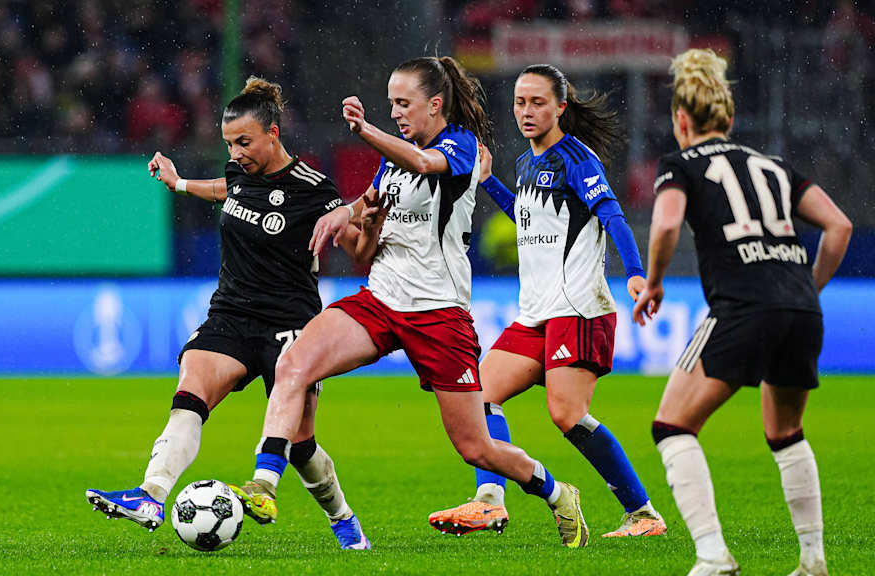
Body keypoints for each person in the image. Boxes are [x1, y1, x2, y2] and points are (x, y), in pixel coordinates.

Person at [228, 56, 590, 549]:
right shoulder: (390, 160)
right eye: (391, 104)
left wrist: (365, 130)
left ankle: (555, 491)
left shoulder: (460, 146)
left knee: (475, 447)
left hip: (440, 316)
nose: (396, 112)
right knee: (294, 364)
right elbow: (370, 218)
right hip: (380, 301)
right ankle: (264, 484)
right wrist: (348, 217)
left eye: (404, 104)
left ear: (434, 105)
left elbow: (421, 162)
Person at [85, 77, 372, 550]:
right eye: (229, 144)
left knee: (300, 447)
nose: (236, 153)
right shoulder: (239, 173)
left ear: (273, 135)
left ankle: (343, 519)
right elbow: (228, 189)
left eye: (244, 142)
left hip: (291, 324)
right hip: (231, 314)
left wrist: (367, 222)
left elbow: (356, 242)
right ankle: (151, 494)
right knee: (189, 395)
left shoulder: (312, 188)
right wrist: (179, 184)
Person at [633, 49, 851, 576]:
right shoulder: (775, 167)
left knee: (672, 427)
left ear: (681, 120)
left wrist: (655, 281)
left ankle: (712, 556)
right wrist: (806, 286)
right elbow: (839, 226)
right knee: (786, 434)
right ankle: (813, 559)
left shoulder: (680, 165)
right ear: (729, 119)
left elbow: (664, 226)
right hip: (800, 307)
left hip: (741, 305)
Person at [428, 64, 667, 539]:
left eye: (538, 102)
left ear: (560, 107)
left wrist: (637, 274)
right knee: (480, 396)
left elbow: (614, 217)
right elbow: (531, 219)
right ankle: (489, 502)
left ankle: (643, 515)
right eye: (520, 102)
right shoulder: (526, 163)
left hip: (578, 308)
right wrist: (488, 181)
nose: (527, 111)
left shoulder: (578, 159)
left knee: (567, 415)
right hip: (536, 313)